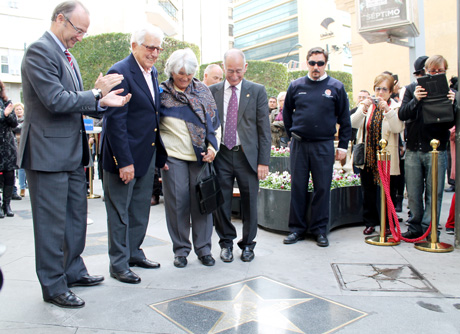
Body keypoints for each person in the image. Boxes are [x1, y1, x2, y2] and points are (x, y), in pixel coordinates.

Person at [18, 0, 131, 308]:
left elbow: (76, 103)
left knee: (75, 218)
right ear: (60, 19)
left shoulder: (68, 57)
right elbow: (56, 100)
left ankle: (73, 270)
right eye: (78, 30)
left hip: (69, 151)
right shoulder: (40, 51)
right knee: (51, 224)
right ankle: (53, 285)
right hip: (46, 153)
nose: (81, 37)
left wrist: (104, 102)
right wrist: (97, 93)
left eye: (85, 31)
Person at [101, 24, 167, 284]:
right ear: (134, 46)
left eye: (158, 48)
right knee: (120, 212)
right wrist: (124, 161)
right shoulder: (119, 72)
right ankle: (118, 265)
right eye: (149, 47)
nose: (154, 53)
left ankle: (134, 253)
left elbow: (152, 115)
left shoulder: (153, 73)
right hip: (123, 158)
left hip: (146, 154)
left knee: (140, 209)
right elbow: (114, 122)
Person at [282, 47, 351, 247]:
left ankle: (320, 230)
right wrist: (291, 136)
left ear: (325, 64)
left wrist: (343, 147)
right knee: (298, 187)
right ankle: (296, 229)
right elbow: (287, 115)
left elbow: (345, 121)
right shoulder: (296, 86)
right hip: (300, 145)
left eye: (320, 63)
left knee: (322, 188)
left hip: (324, 146)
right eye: (312, 63)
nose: (316, 67)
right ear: (307, 63)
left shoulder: (336, 87)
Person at [159, 48, 221, 268]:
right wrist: (159, 156)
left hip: (201, 157)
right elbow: (153, 127)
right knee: (177, 204)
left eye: (188, 74)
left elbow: (215, 123)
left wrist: (214, 148)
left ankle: (204, 249)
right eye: (180, 74)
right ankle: (181, 250)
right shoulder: (161, 93)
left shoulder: (203, 90)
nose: (184, 78)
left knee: (203, 202)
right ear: (171, 72)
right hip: (173, 157)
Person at [209, 48, 271, 262]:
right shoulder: (213, 91)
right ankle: (225, 243)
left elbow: (264, 130)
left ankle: (248, 245)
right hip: (222, 155)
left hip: (248, 157)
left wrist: (263, 161)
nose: (234, 76)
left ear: (245, 68)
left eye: (238, 71)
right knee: (221, 203)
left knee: (250, 203)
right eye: (230, 71)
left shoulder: (257, 91)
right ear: (223, 67)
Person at [399, 55, 457, 240]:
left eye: (440, 71)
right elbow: (402, 114)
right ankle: (415, 227)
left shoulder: (450, 92)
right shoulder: (411, 89)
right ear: (425, 71)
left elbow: (452, 122)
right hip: (414, 148)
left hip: (437, 150)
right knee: (414, 193)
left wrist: (454, 103)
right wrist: (415, 99)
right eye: (432, 71)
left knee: (435, 194)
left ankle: (430, 229)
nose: (435, 74)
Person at [351, 74, 404, 235]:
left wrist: (387, 110)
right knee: (368, 191)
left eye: (384, 89)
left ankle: (388, 223)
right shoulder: (366, 106)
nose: (380, 92)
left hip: (387, 157)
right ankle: (370, 222)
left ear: (390, 91)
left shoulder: (395, 107)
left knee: (388, 191)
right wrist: (363, 108)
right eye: (378, 88)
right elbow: (352, 122)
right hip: (368, 156)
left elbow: (397, 128)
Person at [0, 81, 17, 218]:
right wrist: (3, 115)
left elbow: (14, 123)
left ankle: (7, 204)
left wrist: (8, 114)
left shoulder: (7, 102)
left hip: (7, 145)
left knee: (9, 174)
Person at [12, 103, 27, 197]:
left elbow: (17, 128)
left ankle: (26, 185)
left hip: (25, 146)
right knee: (20, 168)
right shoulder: (12, 121)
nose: (19, 111)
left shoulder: (26, 120)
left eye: (20, 109)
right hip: (15, 147)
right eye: (17, 109)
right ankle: (22, 187)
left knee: (26, 168)